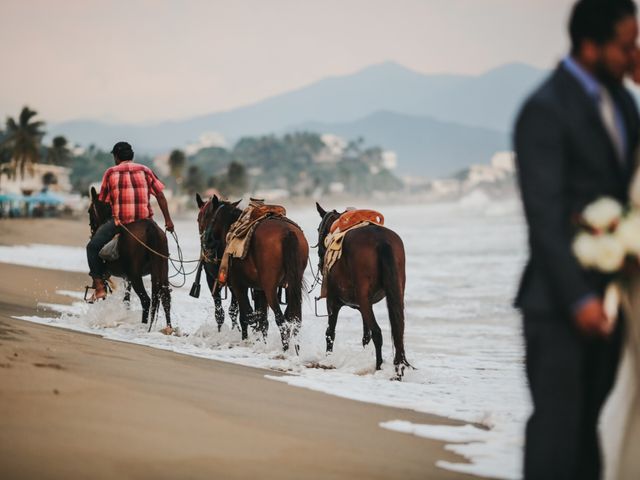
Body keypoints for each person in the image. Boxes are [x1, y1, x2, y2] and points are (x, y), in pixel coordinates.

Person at [513, 1, 639, 479]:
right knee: (556, 440)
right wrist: (579, 298)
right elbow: (543, 219)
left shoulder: (625, 102)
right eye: (626, 45)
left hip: (616, 301)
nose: (634, 54)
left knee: (588, 435)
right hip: (558, 306)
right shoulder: (543, 110)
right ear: (591, 46)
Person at [86, 141, 174, 301]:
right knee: (161, 246)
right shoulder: (146, 170)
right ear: (131, 156)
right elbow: (160, 195)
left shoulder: (110, 173)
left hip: (123, 223)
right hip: (146, 220)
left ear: (116, 156)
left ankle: (99, 287)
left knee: (92, 247)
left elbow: (105, 200)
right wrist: (168, 221)